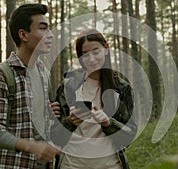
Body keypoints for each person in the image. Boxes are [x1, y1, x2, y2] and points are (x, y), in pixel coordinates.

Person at [0, 3, 60, 169]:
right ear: (23, 35)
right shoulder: (1, 75)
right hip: (13, 165)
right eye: (43, 28)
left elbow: (28, 118)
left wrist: (48, 113)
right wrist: (32, 147)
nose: (50, 35)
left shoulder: (43, 73)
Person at [51, 29, 137, 169]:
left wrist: (108, 123)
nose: (91, 59)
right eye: (85, 54)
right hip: (72, 164)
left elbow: (129, 136)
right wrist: (70, 122)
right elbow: (56, 136)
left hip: (110, 164)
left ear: (106, 49)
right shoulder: (68, 86)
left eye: (96, 52)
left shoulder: (121, 88)